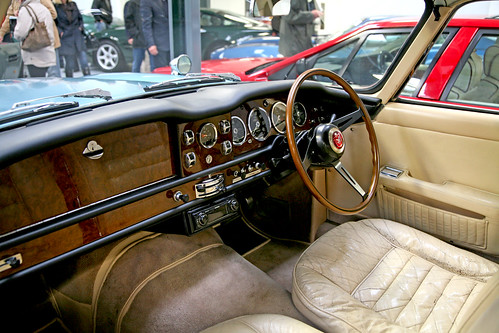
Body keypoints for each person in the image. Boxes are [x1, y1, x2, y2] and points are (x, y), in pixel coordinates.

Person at [14, 0, 56, 77]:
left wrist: (15, 33)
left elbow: (20, 32)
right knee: (43, 81)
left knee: (35, 83)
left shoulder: (26, 10)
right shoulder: (44, 9)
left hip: (34, 55)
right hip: (46, 52)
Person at [54, 0, 90, 77]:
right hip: (66, 36)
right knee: (69, 60)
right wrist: (60, 32)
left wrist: (81, 27)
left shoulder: (73, 5)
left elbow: (80, 18)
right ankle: (69, 79)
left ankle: (88, 76)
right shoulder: (57, 7)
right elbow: (55, 22)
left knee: (83, 58)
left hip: (77, 34)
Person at [124, 0, 153, 72]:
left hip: (150, 37)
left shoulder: (150, 2)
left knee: (153, 64)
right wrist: (132, 34)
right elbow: (128, 21)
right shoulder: (132, 4)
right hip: (138, 37)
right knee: (137, 63)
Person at [140, 0, 170, 71]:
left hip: (175, 42)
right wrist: (151, 44)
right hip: (159, 44)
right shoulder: (147, 2)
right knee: (160, 71)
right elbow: (146, 24)